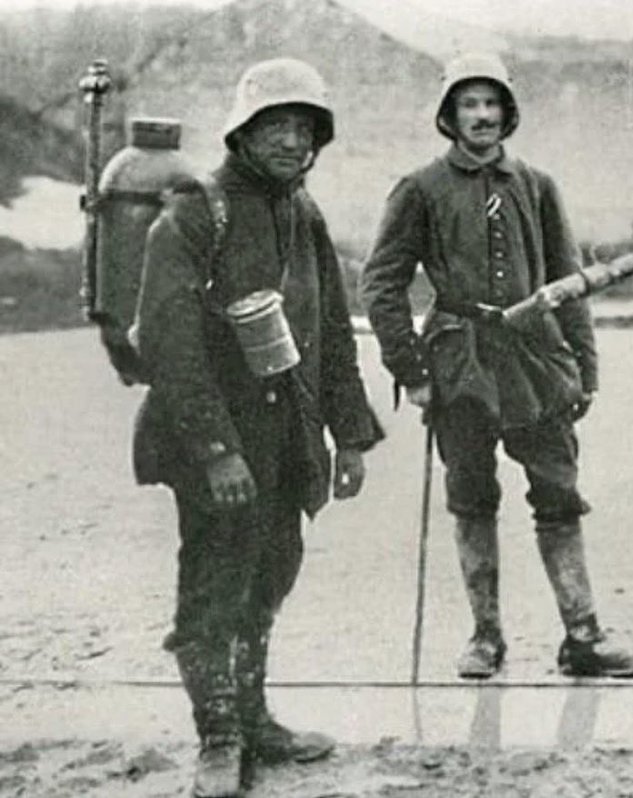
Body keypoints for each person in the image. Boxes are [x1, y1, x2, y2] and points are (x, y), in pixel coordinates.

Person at [132, 58, 384, 797]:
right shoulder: (194, 212)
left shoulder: (302, 216)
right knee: (215, 579)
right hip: (213, 440)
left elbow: (333, 332)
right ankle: (218, 739)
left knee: (272, 571)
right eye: (275, 124)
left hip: (288, 441)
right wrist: (215, 452)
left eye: (304, 128)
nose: (291, 140)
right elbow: (170, 349)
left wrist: (352, 436)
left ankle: (255, 720)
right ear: (242, 132)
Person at [361, 52, 633, 681]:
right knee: (471, 493)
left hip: (534, 361)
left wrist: (584, 369)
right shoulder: (419, 190)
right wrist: (410, 369)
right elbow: (381, 285)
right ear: (449, 115)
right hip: (459, 361)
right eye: (469, 104)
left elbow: (568, 281)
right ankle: (486, 637)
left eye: (492, 103)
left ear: (509, 112)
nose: (482, 116)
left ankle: (583, 637)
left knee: (558, 489)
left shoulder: (537, 185)